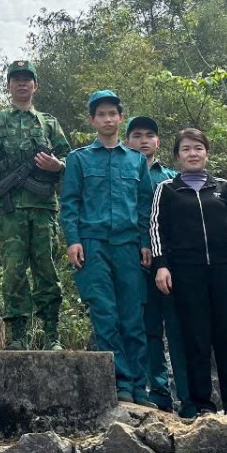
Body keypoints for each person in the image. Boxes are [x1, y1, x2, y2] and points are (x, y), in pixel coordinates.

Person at [151, 128, 227, 417]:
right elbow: (156, 229)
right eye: (186, 149)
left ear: (207, 152)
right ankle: (202, 405)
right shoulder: (166, 189)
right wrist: (161, 265)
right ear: (177, 156)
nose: (192, 153)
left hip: (225, 272)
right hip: (186, 273)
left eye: (198, 148)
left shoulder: (223, 187)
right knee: (195, 339)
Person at [0, 60, 71, 350]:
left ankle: (52, 334)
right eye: (16, 79)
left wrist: (56, 166)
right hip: (9, 210)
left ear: (35, 85)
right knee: (13, 272)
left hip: (43, 209)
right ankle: (17, 336)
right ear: (9, 85)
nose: (22, 84)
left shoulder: (49, 123)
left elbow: (71, 161)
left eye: (27, 79)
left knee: (46, 270)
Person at [61, 90, 153, 401]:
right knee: (105, 314)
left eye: (112, 113)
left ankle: (139, 385)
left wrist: (146, 243)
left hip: (128, 245)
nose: (107, 119)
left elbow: (144, 207)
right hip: (93, 245)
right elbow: (70, 203)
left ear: (120, 117)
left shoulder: (137, 162)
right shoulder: (78, 159)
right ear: (92, 120)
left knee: (133, 315)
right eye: (101, 114)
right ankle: (120, 383)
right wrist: (73, 240)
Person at [125, 115, 188, 412]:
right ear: (127, 141)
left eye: (149, 134)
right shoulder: (124, 174)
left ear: (158, 142)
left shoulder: (173, 178)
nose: (144, 140)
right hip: (137, 263)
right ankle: (157, 391)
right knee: (147, 328)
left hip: (173, 263)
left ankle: (187, 395)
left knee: (178, 328)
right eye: (137, 135)